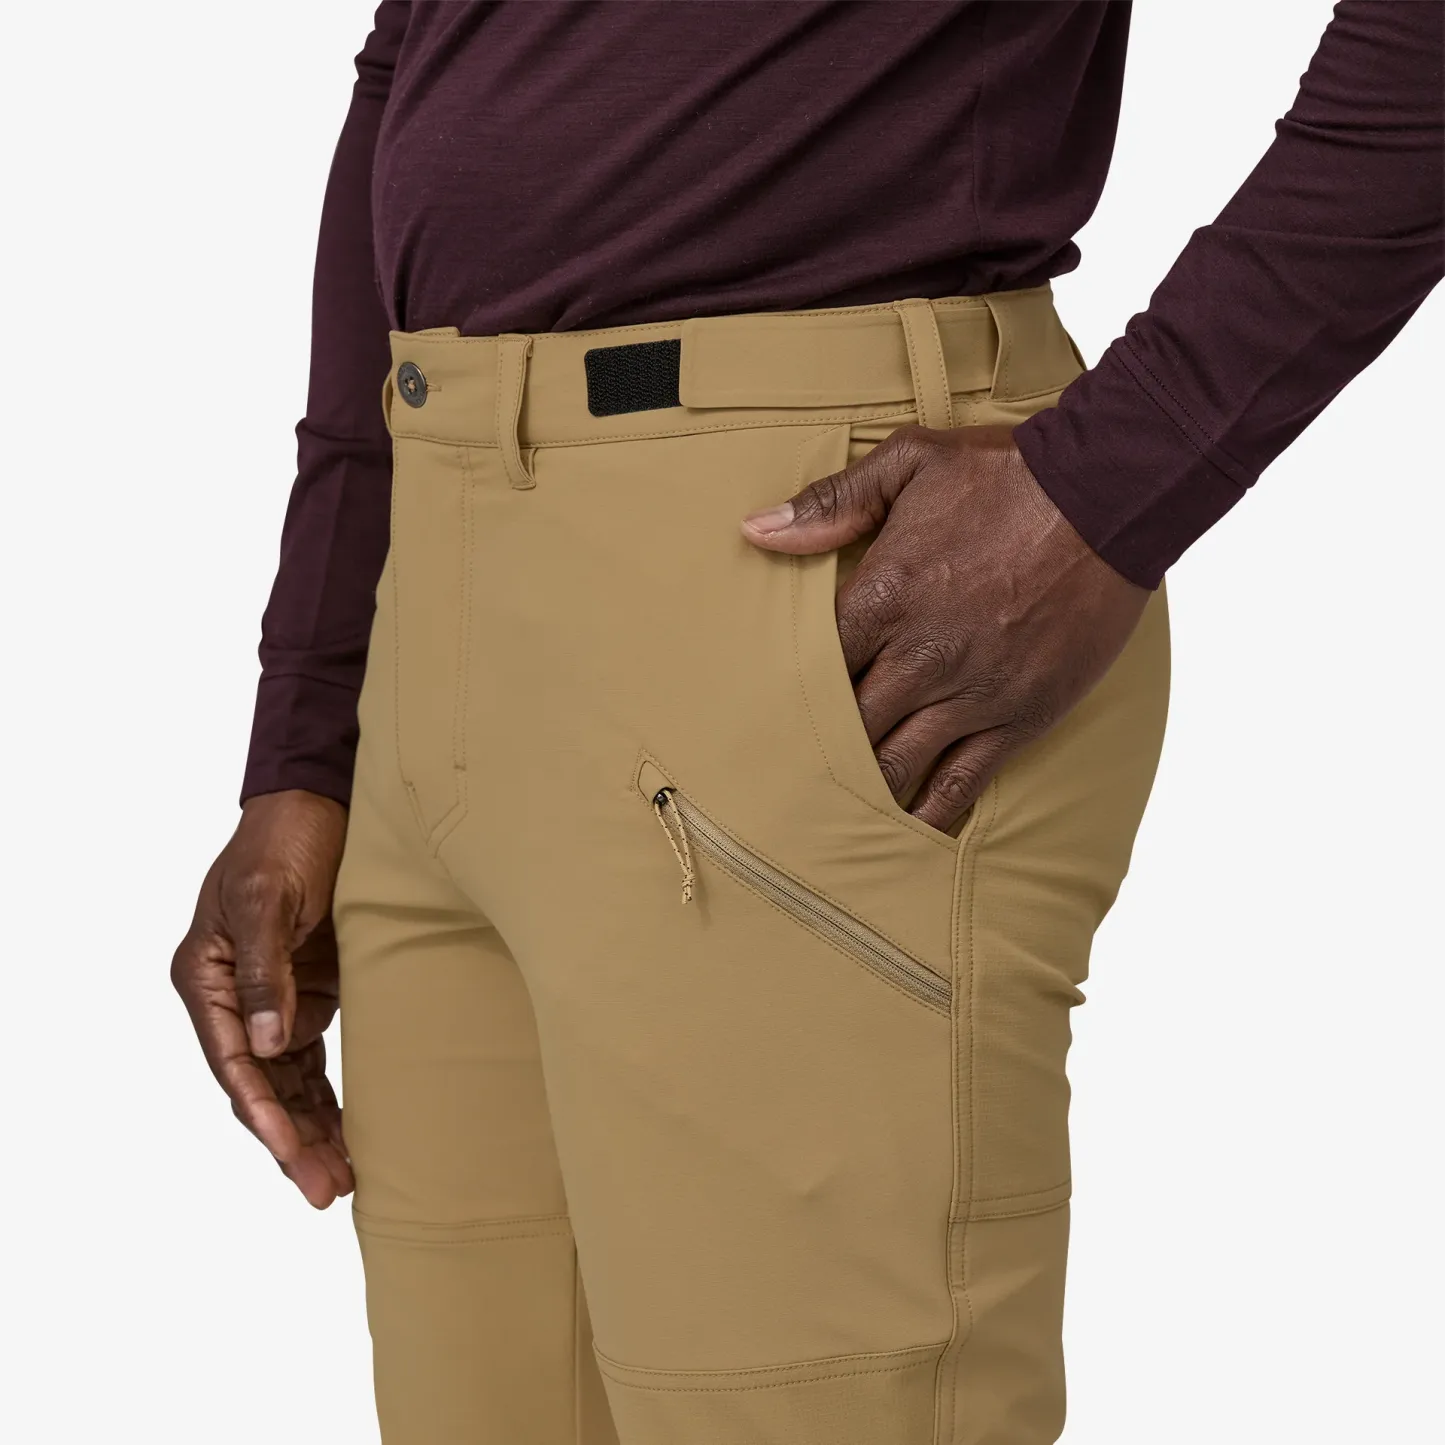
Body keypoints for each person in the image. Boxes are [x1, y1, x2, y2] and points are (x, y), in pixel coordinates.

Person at [170, 4, 1442, 1442]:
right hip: (437, 584)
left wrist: (1119, 479)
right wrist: (308, 741)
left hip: (815, 570)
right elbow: (419, 47)